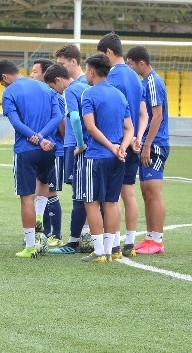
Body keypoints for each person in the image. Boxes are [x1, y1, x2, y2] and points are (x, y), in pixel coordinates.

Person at [0, 60, 62, 258]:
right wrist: (42, 137)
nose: (3, 85)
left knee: (26, 198)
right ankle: (40, 217)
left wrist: (35, 137)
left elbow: (15, 122)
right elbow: (57, 117)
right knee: (44, 183)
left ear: (5, 77)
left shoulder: (10, 92)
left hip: (26, 148)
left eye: (2, 82)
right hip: (48, 147)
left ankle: (31, 245)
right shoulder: (45, 87)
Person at [97, 32, 147, 259]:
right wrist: (137, 137)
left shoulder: (112, 77)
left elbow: (112, 110)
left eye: (102, 54)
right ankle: (130, 242)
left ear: (109, 52)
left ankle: (114, 244)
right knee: (129, 193)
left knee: (111, 197)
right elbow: (143, 113)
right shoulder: (135, 77)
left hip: (116, 142)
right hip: (133, 141)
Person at [79, 52, 133, 263]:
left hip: (97, 156)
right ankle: (110, 251)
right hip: (118, 158)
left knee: (91, 202)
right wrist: (122, 148)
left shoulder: (89, 95)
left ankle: (99, 251)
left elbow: (91, 127)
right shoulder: (119, 95)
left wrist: (111, 146)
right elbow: (129, 128)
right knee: (111, 202)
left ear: (91, 72)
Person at [126, 45, 169, 255]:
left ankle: (157, 240)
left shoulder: (152, 82)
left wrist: (148, 144)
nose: (129, 67)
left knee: (153, 191)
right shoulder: (145, 82)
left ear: (140, 63)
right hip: (147, 144)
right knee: (146, 192)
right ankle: (151, 237)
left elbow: (157, 116)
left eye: (130, 64)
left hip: (156, 144)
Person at [43, 62, 88, 253]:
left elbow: (75, 118)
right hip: (94, 145)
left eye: (53, 87)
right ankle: (90, 237)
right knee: (90, 194)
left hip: (76, 145)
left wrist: (80, 143)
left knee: (79, 195)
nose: (55, 91)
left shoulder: (70, 91)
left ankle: (73, 242)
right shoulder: (87, 88)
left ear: (58, 80)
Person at [28, 58, 65, 247]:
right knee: (39, 190)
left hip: (54, 151)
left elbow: (62, 123)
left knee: (51, 191)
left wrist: (62, 145)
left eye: (35, 71)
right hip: (39, 151)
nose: (31, 75)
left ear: (45, 74)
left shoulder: (56, 97)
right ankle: (42, 232)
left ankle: (55, 235)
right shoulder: (38, 96)